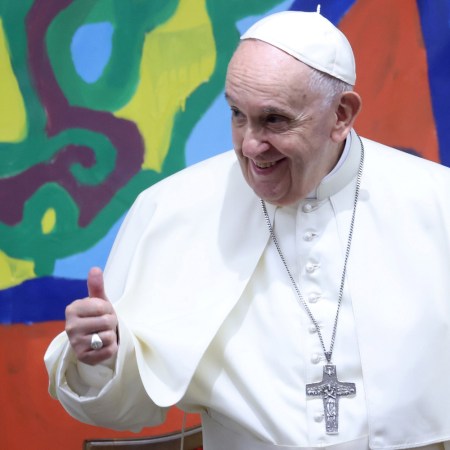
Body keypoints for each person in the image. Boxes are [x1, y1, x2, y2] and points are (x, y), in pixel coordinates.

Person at [45, 9, 450, 450]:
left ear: (341, 115)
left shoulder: (435, 202)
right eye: (238, 114)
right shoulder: (172, 209)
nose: (250, 146)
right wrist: (102, 359)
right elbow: (127, 406)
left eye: (274, 120)